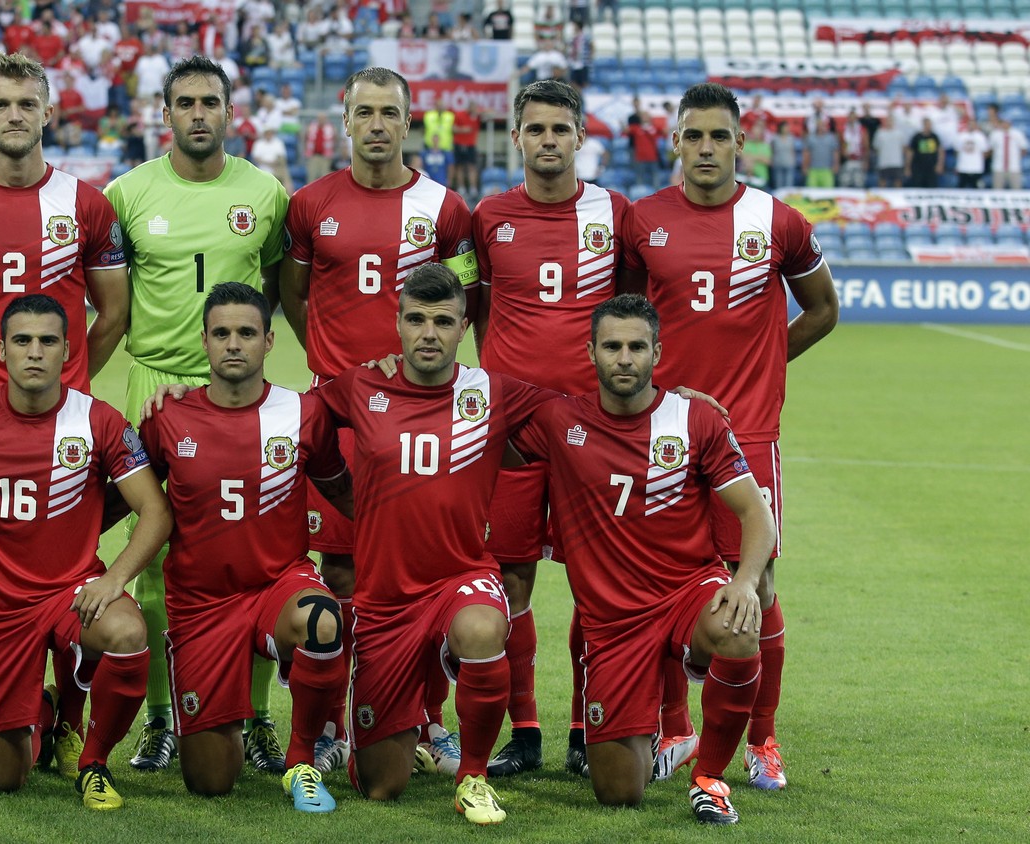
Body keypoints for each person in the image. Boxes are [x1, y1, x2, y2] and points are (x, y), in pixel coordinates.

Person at [0, 51, 130, 778]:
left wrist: (67, 387)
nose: (13, 115)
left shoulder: (86, 204)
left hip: (63, 428)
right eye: (0, 104)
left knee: (71, 577)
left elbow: (113, 312)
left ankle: (67, 725)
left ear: (48, 112)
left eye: (25, 103)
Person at [618, 82, 839, 791]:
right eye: (693, 136)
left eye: (719, 136)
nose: (705, 148)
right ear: (675, 141)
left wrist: (765, 370)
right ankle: (676, 730)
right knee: (659, 578)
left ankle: (763, 739)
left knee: (760, 583)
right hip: (659, 435)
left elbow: (824, 309)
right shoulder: (642, 219)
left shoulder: (779, 222)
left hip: (747, 433)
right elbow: (625, 314)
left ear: (741, 142)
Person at [0, 294, 171, 811]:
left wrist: (113, 579)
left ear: (69, 350)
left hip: (70, 595)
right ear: (1, 350)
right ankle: (42, 712)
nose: (35, 352)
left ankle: (92, 762)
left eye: (48, 341)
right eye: (22, 341)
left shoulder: (98, 421)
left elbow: (155, 512)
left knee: (129, 632)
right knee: (2, 779)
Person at [511, 293, 777, 825]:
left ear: (658, 350)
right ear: (590, 352)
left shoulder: (694, 420)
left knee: (739, 627)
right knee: (618, 793)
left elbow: (756, 513)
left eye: (637, 346)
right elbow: (469, 424)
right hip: (612, 627)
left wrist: (745, 582)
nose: (624, 358)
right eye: (612, 346)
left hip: (687, 594)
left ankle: (711, 778)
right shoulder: (557, 420)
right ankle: (661, 735)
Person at [279, 66, 476, 776]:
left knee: (424, 573)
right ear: (345, 120)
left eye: (389, 113)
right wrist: (337, 376)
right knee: (338, 570)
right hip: (342, 420)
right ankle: (335, 723)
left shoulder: (445, 209)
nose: (376, 126)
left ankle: (428, 721)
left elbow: (465, 305)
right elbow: (294, 297)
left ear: (408, 119)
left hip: (421, 423)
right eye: (364, 113)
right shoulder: (310, 204)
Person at [312, 264, 556, 826]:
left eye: (442, 322)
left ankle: (474, 775)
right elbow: (285, 415)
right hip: (384, 601)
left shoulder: (491, 393)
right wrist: (341, 492)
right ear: (396, 323)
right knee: (380, 787)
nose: (428, 333)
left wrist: (674, 399)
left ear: (463, 327)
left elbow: (581, 414)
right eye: (416, 319)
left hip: (459, 577)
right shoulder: (357, 386)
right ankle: (400, 739)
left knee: (482, 628)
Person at [102, 54, 290, 773]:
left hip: (236, 395)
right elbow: (109, 298)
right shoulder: (127, 192)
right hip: (153, 389)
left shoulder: (264, 192)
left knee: (256, 556)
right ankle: (160, 719)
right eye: (186, 102)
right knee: (154, 563)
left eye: (211, 101)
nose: (199, 114)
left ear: (230, 111)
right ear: (166, 112)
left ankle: (258, 717)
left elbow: (276, 286)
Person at [139, 283, 354, 811]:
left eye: (246, 333)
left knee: (323, 618)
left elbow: (345, 492)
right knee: (210, 781)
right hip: (201, 604)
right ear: (205, 342)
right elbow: (128, 500)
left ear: (269, 341)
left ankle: (302, 761)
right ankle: (226, 723)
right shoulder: (167, 417)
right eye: (221, 333)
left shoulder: (304, 413)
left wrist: (412, 534)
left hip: (277, 586)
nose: (233, 343)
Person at [470, 79, 631, 780]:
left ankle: (583, 727)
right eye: (535, 129)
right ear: (517, 137)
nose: (547, 141)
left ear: (578, 137)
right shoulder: (488, 216)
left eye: (559, 129)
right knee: (510, 577)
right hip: (507, 433)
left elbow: (633, 314)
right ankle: (526, 729)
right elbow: (474, 308)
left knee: (599, 584)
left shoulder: (612, 212)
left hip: (592, 432)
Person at [987, 112, 1027, 190]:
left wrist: (1016, 158)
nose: (1005, 124)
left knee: (1016, 190)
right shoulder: (995, 134)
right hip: (998, 167)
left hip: (1014, 167)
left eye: (1007, 122)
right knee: (997, 190)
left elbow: (1024, 149)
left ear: (1010, 123)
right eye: (1003, 122)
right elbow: (990, 149)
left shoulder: (1017, 134)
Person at [906, 117, 944, 188]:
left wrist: (940, 164)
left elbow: (940, 152)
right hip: (918, 168)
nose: (929, 126)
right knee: (917, 187)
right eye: (927, 124)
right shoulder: (917, 137)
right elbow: (910, 153)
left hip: (931, 168)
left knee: (931, 187)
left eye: (930, 124)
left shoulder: (934, 137)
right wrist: (908, 167)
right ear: (923, 125)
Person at [803, 118, 839, 189]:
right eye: (819, 125)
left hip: (827, 170)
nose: (821, 127)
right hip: (813, 170)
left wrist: (836, 164)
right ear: (816, 126)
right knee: (811, 193)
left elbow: (835, 152)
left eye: (823, 125)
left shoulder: (831, 138)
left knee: (827, 193)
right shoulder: (810, 138)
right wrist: (805, 166)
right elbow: (806, 153)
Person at [955, 118, 989, 189]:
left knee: (976, 188)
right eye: (970, 124)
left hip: (976, 168)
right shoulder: (961, 136)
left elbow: (985, 152)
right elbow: (957, 151)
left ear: (976, 125)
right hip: (963, 168)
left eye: (973, 124)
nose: (971, 126)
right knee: (961, 188)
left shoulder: (981, 137)